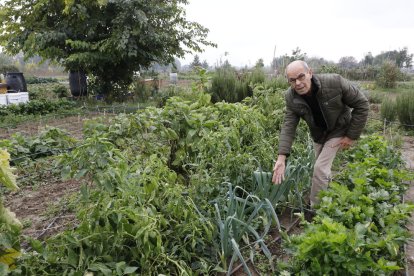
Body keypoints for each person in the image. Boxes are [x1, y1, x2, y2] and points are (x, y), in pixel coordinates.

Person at [272, 60, 369, 207]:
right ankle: (328, 195)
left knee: (320, 168)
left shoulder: (334, 82)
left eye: (301, 77)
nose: (297, 83)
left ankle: (316, 209)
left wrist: (351, 136)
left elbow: (362, 104)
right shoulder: (291, 97)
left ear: (310, 73)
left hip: (339, 129)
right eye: (292, 80)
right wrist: (281, 157)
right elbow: (289, 126)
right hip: (318, 134)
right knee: (321, 169)